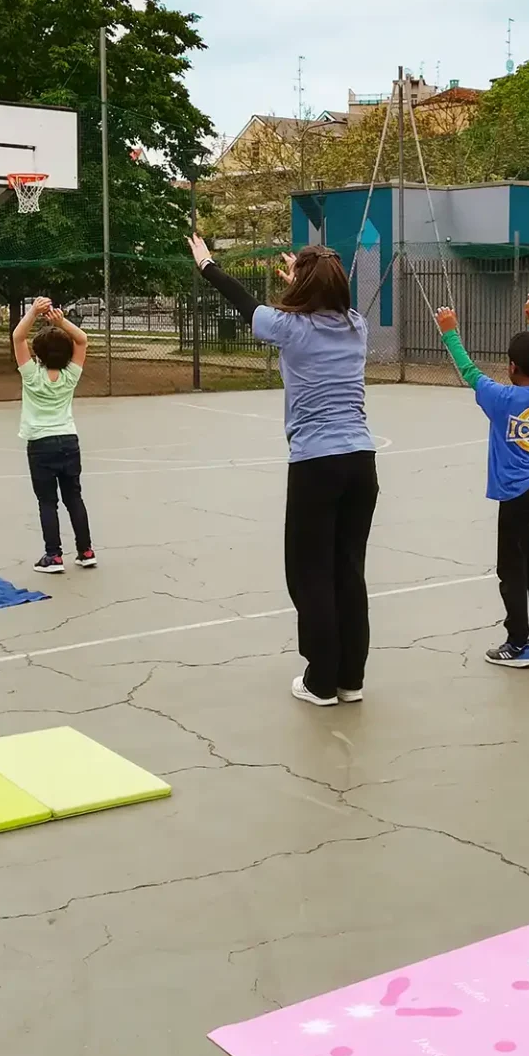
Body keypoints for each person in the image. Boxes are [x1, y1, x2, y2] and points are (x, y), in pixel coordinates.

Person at [188, 235, 376, 707]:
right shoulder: (357, 326)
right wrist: (305, 277)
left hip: (316, 464)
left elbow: (243, 301)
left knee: (310, 572)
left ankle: (320, 680)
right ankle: (350, 678)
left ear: (304, 287)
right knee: (348, 571)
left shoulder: (290, 328)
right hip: (361, 462)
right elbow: (316, 302)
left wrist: (208, 263)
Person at [435, 294, 529, 668]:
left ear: (510, 367)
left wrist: (449, 333)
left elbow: (469, 371)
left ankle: (517, 644)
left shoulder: (503, 399)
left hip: (517, 498)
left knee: (512, 572)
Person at [12, 298, 94, 574]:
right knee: (74, 497)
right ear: (67, 353)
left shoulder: (32, 375)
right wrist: (60, 322)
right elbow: (82, 340)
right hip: (69, 442)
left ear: (38, 354)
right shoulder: (71, 375)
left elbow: (17, 336)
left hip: (40, 444)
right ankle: (86, 550)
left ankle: (54, 555)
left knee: (47, 501)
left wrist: (33, 312)